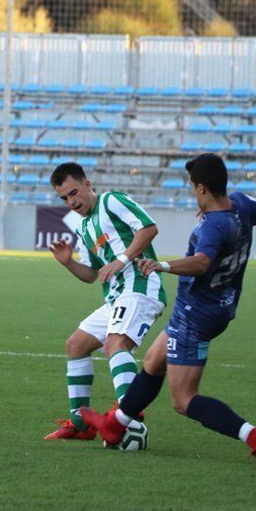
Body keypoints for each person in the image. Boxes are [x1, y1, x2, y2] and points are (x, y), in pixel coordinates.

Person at [81, 153, 256, 470]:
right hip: (220, 303)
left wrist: (161, 265)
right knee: (152, 361)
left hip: (196, 315)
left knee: (184, 399)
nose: (192, 193)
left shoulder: (213, 227)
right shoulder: (241, 204)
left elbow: (202, 263)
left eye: (193, 188)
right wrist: (235, 214)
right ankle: (117, 422)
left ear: (202, 187)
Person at [44, 162, 167, 440]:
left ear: (87, 184)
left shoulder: (112, 201)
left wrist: (121, 260)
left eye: (74, 192)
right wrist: (68, 263)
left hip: (140, 285)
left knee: (115, 344)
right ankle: (81, 424)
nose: (71, 201)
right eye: (64, 198)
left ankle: (129, 415)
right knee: (75, 345)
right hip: (116, 295)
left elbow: (148, 228)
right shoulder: (84, 227)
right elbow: (90, 275)